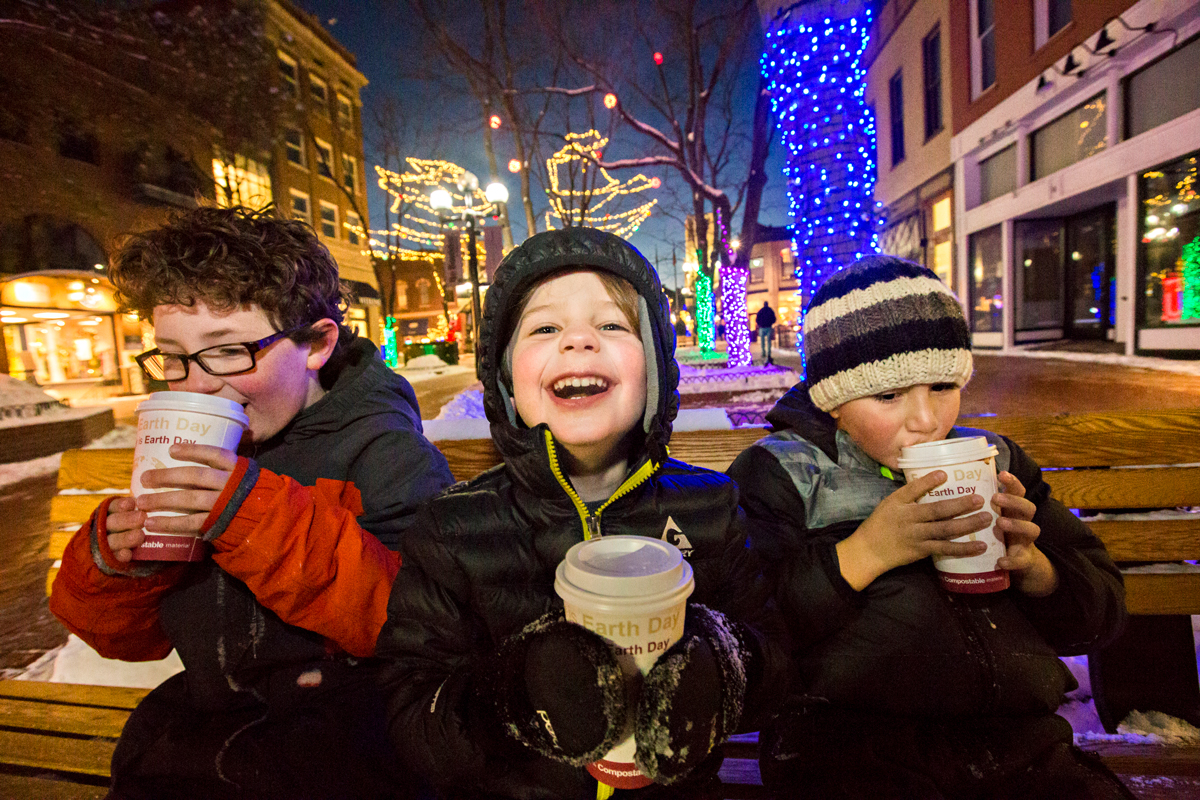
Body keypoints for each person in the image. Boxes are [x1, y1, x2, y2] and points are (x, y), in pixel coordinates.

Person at [49, 205, 455, 800]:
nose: (195, 384)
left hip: (354, 748)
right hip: (207, 738)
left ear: (316, 343)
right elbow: (127, 642)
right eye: (173, 356)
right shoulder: (205, 452)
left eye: (227, 351)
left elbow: (417, 624)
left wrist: (250, 515)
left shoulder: (388, 457)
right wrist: (116, 562)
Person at [372, 228, 788, 798]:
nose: (578, 341)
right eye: (545, 328)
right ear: (506, 383)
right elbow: (412, 716)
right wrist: (513, 696)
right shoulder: (452, 531)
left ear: (656, 374)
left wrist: (723, 666)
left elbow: (774, 659)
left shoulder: (709, 508)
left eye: (613, 325)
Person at [727, 256, 1132, 800]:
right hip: (848, 744)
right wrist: (867, 550)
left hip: (1019, 742)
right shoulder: (783, 473)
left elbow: (1101, 613)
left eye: (942, 385)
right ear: (834, 403)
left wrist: (1038, 570)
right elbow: (751, 627)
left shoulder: (998, 462)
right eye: (889, 396)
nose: (925, 419)